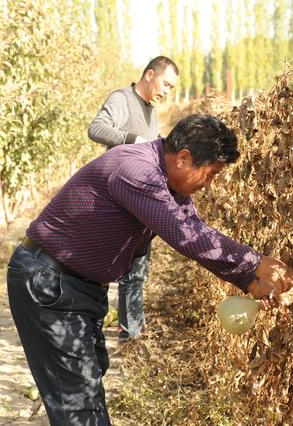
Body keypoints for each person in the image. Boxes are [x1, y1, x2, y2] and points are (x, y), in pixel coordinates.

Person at [6, 114, 293, 425]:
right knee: (78, 402)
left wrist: (249, 281)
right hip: (50, 282)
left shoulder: (168, 181)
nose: (210, 184)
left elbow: (192, 228)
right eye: (211, 174)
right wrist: (257, 262)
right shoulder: (137, 171)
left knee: (86, 384)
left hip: (75, 286)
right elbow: (184, 235)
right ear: (184, 158)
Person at [88, 55, 179, 342]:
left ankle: (131, 334)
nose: (166, 92)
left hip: (139, 206)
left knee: (136, 272)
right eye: (165, 84)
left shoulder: (151, 111)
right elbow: (96, 129)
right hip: (116, 202)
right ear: (149, 74)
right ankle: (90, 331)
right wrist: (135, 141)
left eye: (172, 88)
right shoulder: (122, 98)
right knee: (102, 271)